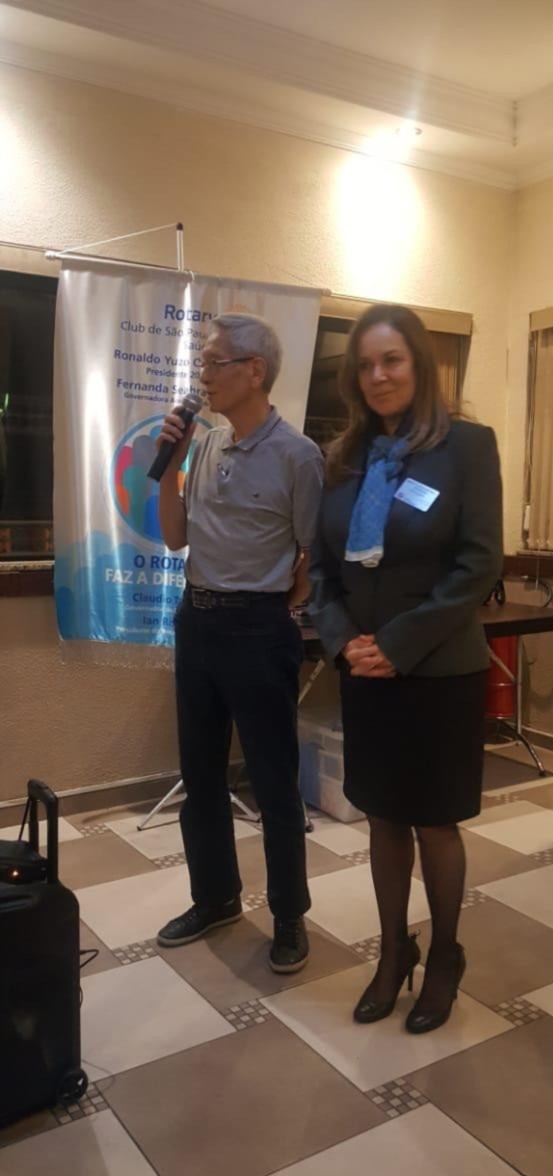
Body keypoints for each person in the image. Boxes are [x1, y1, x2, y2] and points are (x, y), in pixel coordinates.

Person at [310, 303, 503, 1032]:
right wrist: (345, 642)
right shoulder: (342, 458)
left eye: (391, 360)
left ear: (420, 364)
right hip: (365, 671)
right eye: (364, 365)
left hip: (438, 669)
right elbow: (322, 568)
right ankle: (395, 952)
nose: (378, 375)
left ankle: (445, 954)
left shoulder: (466, 447)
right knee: (383, 817)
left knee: (434, 824)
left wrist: (398, 643)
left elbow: (478, 563)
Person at [155, 312, 323, 973]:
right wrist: (169, 463)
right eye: (203, 362)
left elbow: (313, 553)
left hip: (258, 628)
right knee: (200, 776)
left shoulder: (298, 456)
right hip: (195, 620)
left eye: (214, 362)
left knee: (273, 780)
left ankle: (288, 915)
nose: (204, 374)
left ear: (255, 371)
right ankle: (216, 898)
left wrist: (278, 601)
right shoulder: (205, 445)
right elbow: (175, 537)